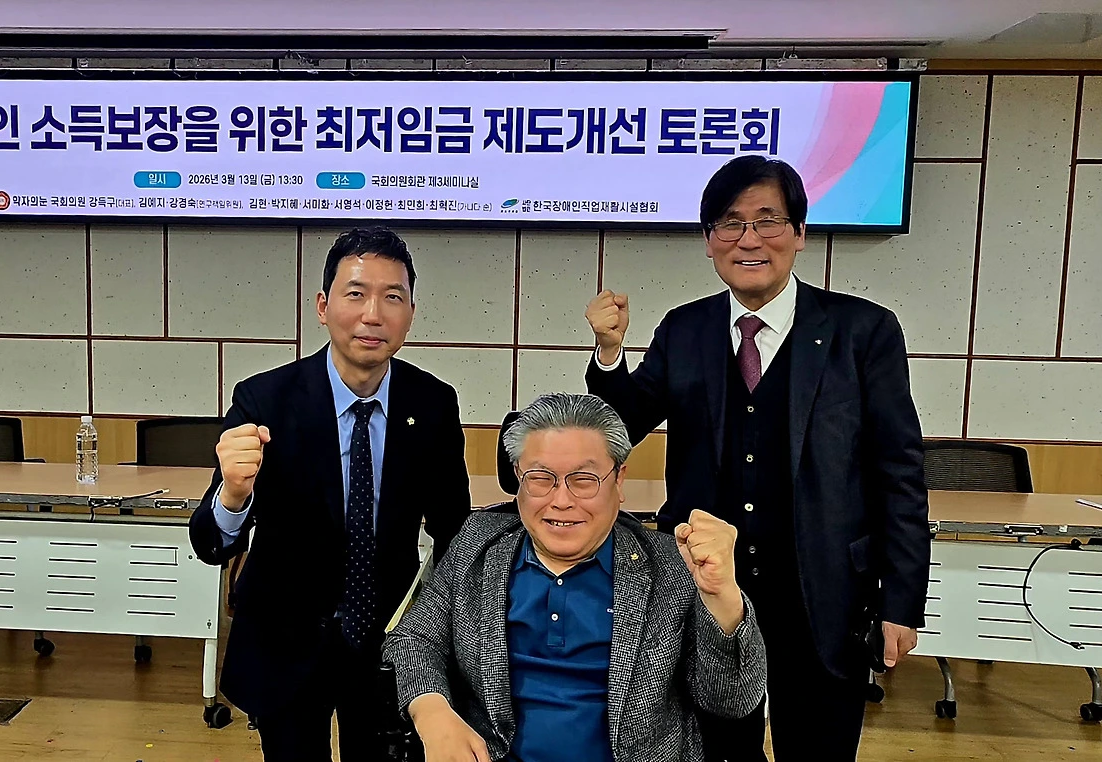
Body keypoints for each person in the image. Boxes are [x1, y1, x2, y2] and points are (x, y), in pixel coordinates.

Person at [584, 155, 931, 761]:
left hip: (824, 592)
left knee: (819, 750)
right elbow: (622, 426)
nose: (749, 239)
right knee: (716, 750)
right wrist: (611, 355)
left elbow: (899, 473)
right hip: (706, 588)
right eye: (730, 223)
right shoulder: (685, 329)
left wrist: (901, 602)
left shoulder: (863, 331)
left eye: (768, 221)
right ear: (709, 240)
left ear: (799, 233)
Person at [188, 226, 472, 761]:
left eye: (393, 297)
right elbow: (210, 543)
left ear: (411, 313)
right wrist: (232, 495)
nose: (373, 315)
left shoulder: (433, 403)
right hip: (286, 644)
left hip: (389, 644)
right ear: (323, 306)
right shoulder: (266, 400)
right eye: (356, 294)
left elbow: (454, 530)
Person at [384, 392, 766, 762]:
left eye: (583, 480)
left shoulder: (671, 565)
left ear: (619, 480)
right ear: (518, 478)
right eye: (541, 478)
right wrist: (433, 713)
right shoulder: (477, 545)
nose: (561, 500)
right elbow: (413, 640)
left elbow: (731, 702)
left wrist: (721, 596)